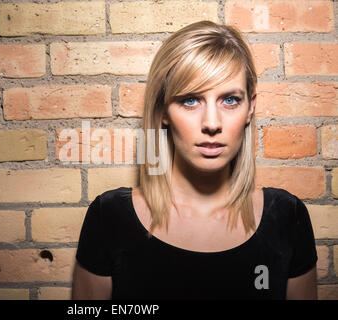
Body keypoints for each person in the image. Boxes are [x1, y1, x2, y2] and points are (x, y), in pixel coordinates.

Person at [72, 20, 318, 300]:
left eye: (229, 100)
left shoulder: (287, 217)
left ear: (251, 107)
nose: (211, 123)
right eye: (190, 100)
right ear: (163, 110)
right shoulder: (110, 218)